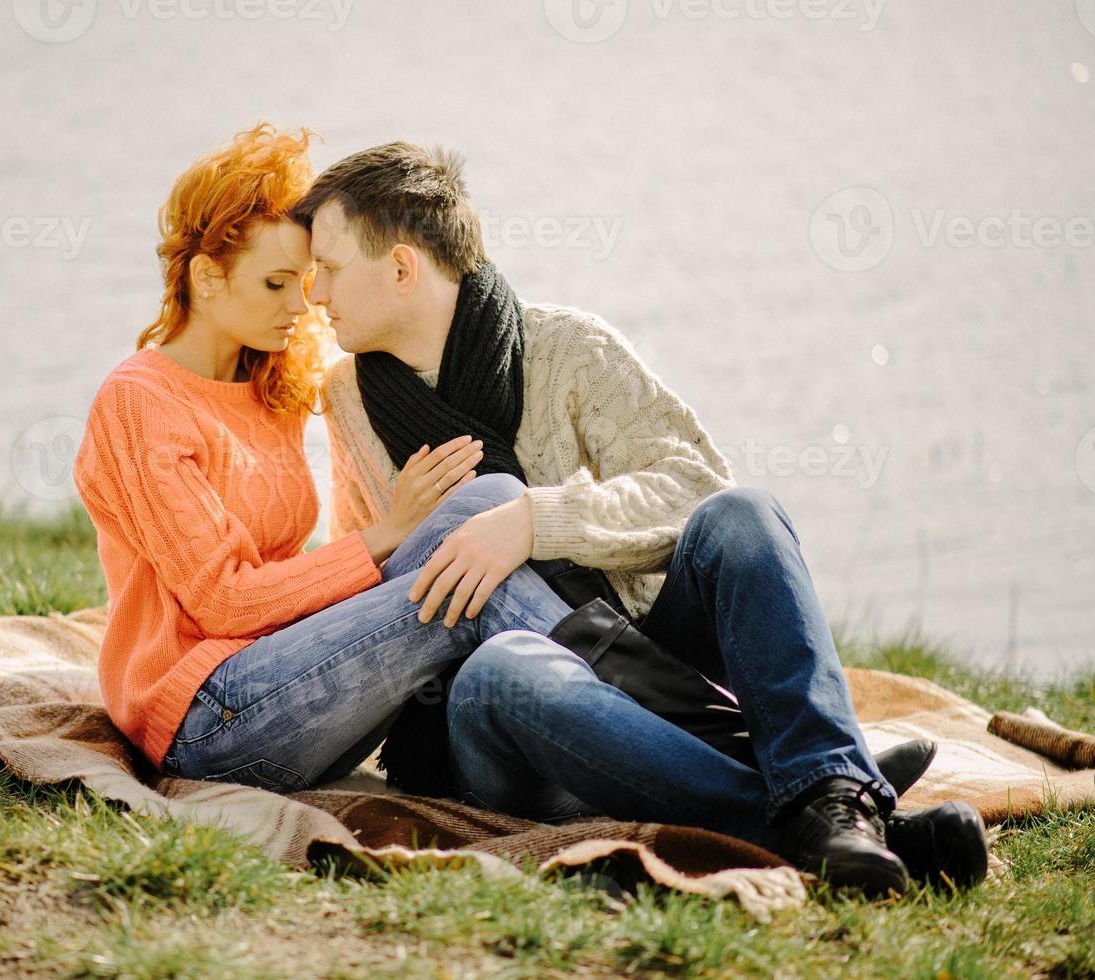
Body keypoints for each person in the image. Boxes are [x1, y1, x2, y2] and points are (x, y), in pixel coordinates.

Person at [293, 140, 990, 895]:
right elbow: (376, 614)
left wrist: (534, 521)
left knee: (742, 515)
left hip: (644, 655)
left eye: (327, 266)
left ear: (400, 268)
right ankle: (822, 805)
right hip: (512, 716)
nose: (313, 292)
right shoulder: (348, 402)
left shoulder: (566, 347)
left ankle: (822, 797)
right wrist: (398, 532)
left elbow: (692, 483)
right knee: (509, 667)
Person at [70, 124, 583, 811]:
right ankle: (663, 719)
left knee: (484, 503)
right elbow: (223, 602)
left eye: (307, 281)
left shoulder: (272, 391)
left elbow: (302, 579)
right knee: (465, 579)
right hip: (204, 718)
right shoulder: (139, 402)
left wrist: (403, 529)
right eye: (276, 282)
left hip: (286, 684)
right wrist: (390, 531)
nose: (301, 303)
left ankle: (628, 722)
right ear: (205, 276)